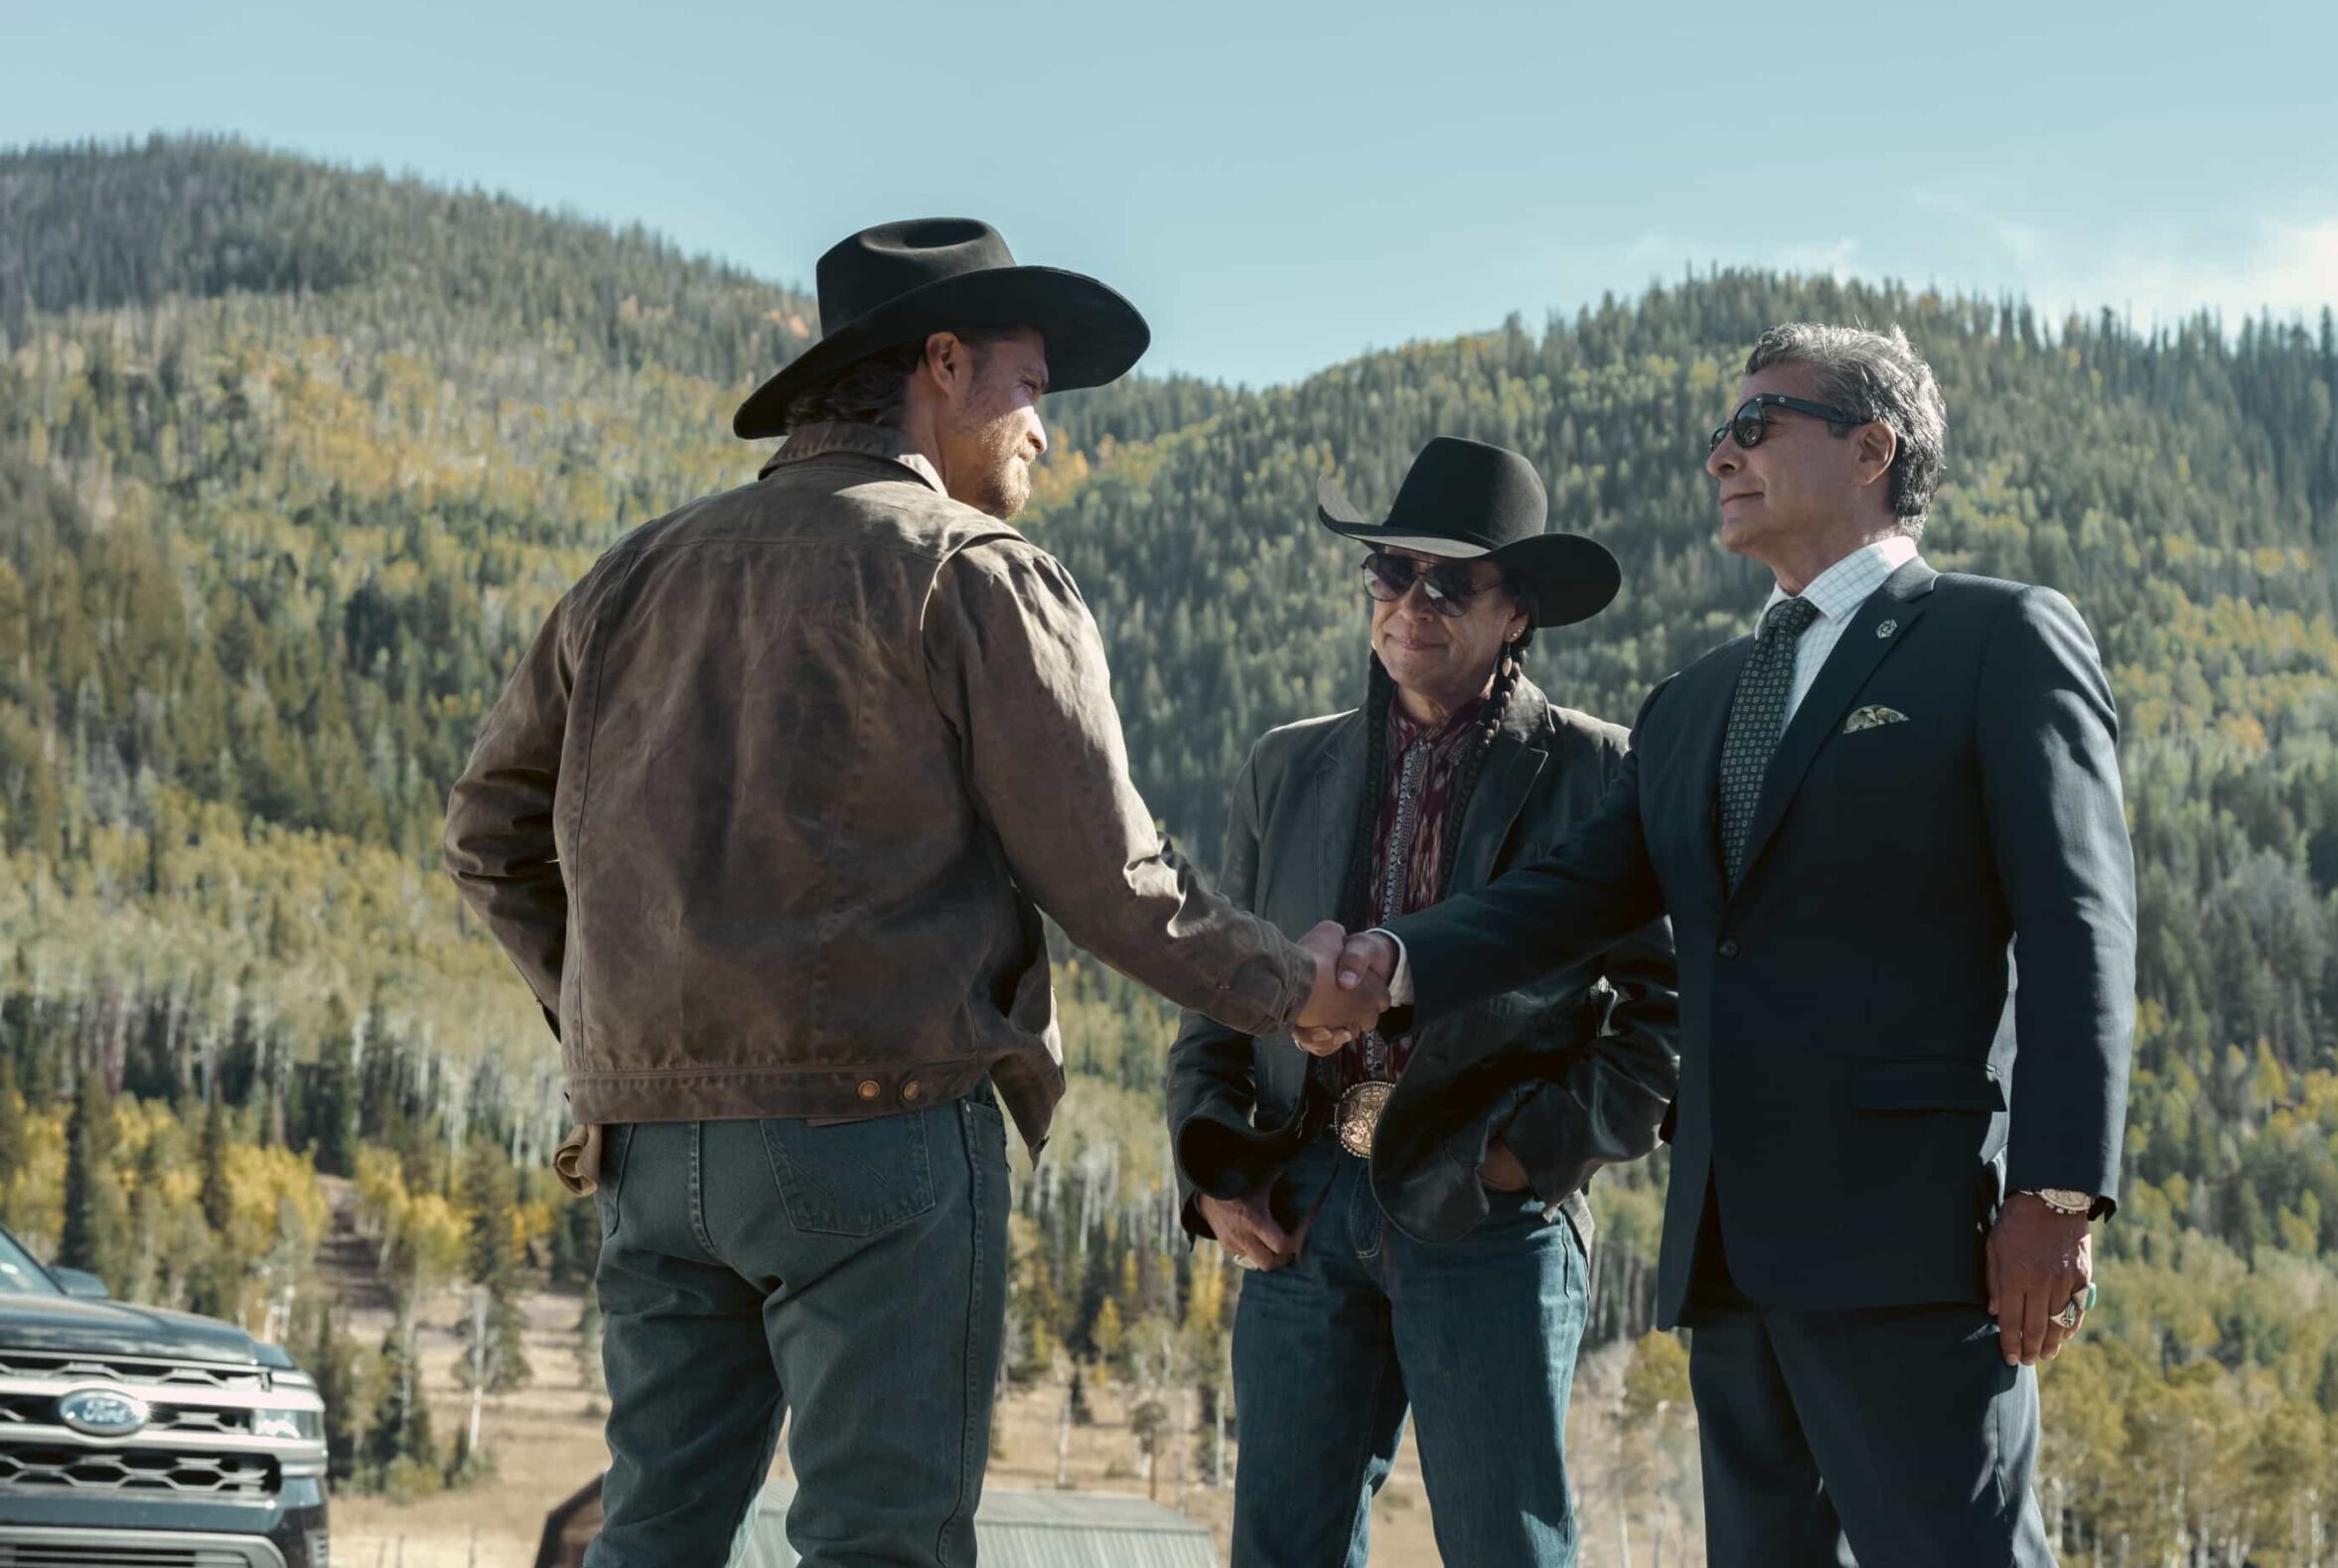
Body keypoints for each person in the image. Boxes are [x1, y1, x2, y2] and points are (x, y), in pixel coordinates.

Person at [443, 217, 1374, 1568]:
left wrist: (614, 1008)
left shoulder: (633, 570)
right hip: (875, 1137)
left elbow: (485, 830)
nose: (1045, 432)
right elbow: (1112, 876)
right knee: (884, 1539)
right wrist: (1298, 991)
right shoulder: (969, 567)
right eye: (1032, 388)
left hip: (648, 1142)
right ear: (939, 363)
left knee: (650, 1532)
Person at [1333, 324, 2136, 1566]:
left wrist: (2058, 1193)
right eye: (1719, 430)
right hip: (1728, 1254)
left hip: (1915, 1245)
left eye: (1756, 425)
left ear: (1872, 449)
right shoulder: (1694, 701)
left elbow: (2083, 928)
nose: (1720, 453)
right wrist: (1391, 961)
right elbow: (1564, 895)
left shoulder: (1999, 641)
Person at [1167, 438, 1677, 1567]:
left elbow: (1661, 1014)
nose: (1410, 603)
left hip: (1490, 1219)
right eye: (1391, 573)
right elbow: (1222, 988)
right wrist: (1212, 1169)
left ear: (1517, 613)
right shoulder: (1284, 768)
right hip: (1299, 1211)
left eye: (1450, 582)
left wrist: (1527, 1153)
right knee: (1280, 1550)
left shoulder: (1603, 773)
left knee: (1508, 1546)